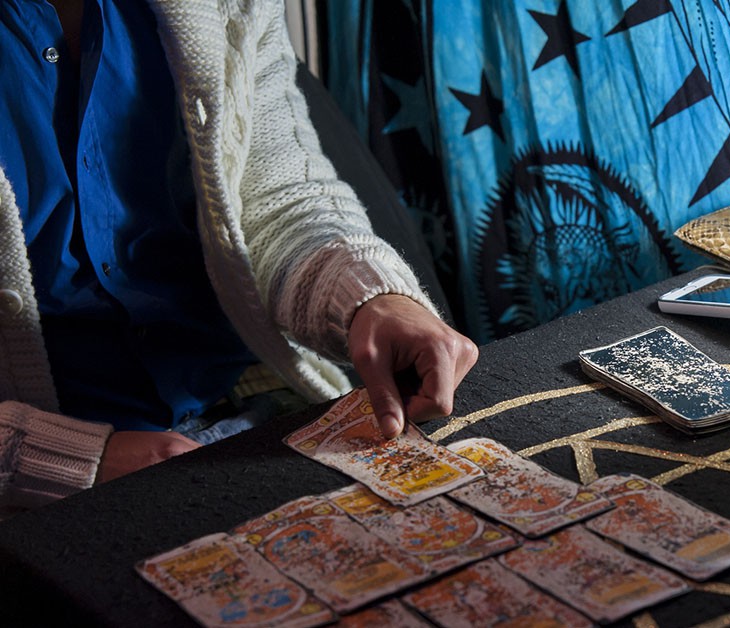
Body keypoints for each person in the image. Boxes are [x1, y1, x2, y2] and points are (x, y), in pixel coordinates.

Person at [0, 0, 478, 512]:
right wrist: (62, 459)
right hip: (42, 479)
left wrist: (371, 297)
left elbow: (281, 195)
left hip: (249, 390)